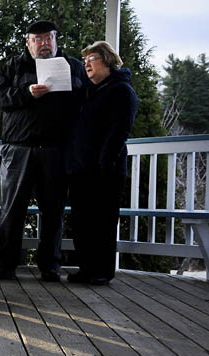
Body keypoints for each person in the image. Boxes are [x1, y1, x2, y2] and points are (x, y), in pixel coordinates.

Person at [0, 20, 89, 281]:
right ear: (28, 42)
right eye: (38, 39)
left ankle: (50, 267)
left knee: (53, 211)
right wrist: (26, 93)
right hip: (18, 149)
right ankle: (6, 266)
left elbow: (86, 98)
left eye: (49, 38)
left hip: (56, 150)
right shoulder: (13, 66)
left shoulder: (73, 66)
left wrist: (71, 88)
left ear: (56, 40)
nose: (44, 44)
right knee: (12, 211)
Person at [66, 41, 138, 285]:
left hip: (105, 170)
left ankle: (102, 272)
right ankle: (86, 269)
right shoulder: (87, 90)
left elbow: (119, 131)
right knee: (81, 221)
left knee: (103, 222)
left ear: (107, 60)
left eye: (92, 58)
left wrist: (103, 163)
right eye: (85, 59)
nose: (86, 63)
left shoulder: (121, 91)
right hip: (80, 168)